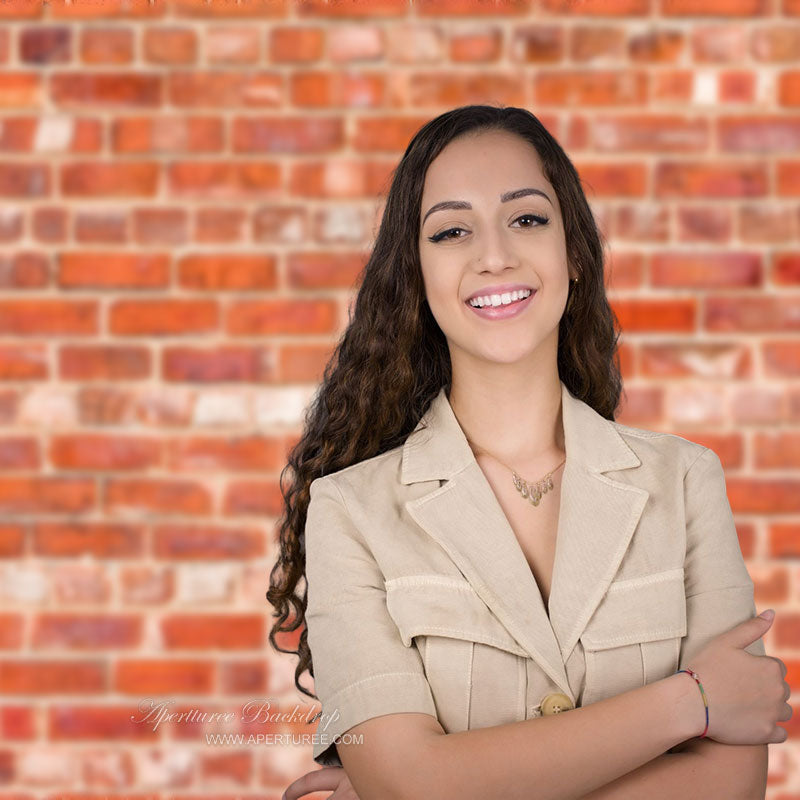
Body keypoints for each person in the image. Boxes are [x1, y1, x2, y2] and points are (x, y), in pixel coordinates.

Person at [266, 105, 791, 800]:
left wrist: (437, 787)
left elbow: (730, 786)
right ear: (416, 276)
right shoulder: (349, 512)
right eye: (452, 231)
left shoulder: (686, 482)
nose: (494, 255)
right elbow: (410, 784)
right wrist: (689, 702)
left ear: (572, 252)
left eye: (527, 218)